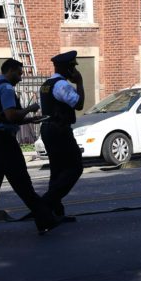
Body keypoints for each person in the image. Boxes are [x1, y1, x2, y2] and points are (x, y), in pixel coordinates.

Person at [0, 58, 58, 238]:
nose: (20, 78)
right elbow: (10, 116)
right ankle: (45, 220)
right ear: (9, 71)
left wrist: (29, 120)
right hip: (5, 143)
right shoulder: (7, 89)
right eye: (18, 73)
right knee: (23, 183)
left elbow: (5, 117)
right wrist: (29, 109)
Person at [39, 50, 85, 222]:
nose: (74, 70)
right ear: (66, 68)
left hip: (48, 129)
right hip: (59, 130)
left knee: (57, 171)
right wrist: (79, 82)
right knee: (75, 168)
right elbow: (79, 104)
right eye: (72, 66)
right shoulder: (61, 85)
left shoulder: (47, 84)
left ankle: (55, 213)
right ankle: (45, 204)